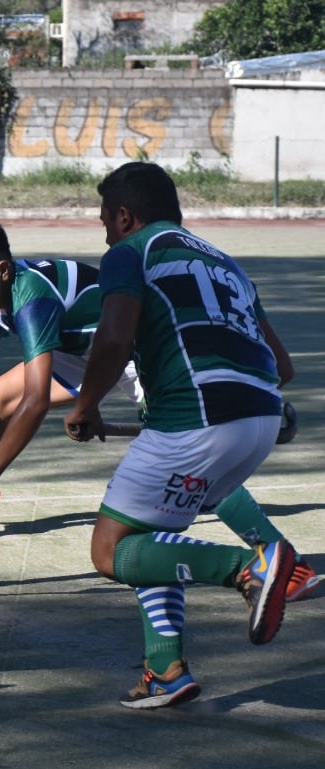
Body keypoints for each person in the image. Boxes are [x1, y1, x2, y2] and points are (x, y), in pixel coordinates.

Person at [0, 215, 317, 605]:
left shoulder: (32, 297)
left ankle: (284, 563)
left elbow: (36, 401)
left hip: (132, 352)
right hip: (82, 351)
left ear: (1, 270)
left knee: (193, 467)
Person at [63, 162, 300, 709]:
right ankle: (165, 669)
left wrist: (85, 406)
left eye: (105, 219)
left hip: (197, 419)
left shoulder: (129, 252)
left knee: (110, 551)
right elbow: (281, 366)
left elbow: (115, 338)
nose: (104, 232)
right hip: (260, 417)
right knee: (151, 539)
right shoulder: (227, 262)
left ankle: (252, 566)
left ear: (125, 216)